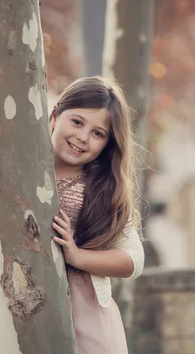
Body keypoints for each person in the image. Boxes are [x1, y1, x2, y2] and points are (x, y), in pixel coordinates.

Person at [50, 76, 144, 353]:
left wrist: (77, 256)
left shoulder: (103, 189)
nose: (82, 137)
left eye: (98, 133)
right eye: (77, 122)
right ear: (55, 115)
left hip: (83, 314)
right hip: (7, 296)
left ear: (107, 144)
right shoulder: (12, 163)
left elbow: (133, 260)